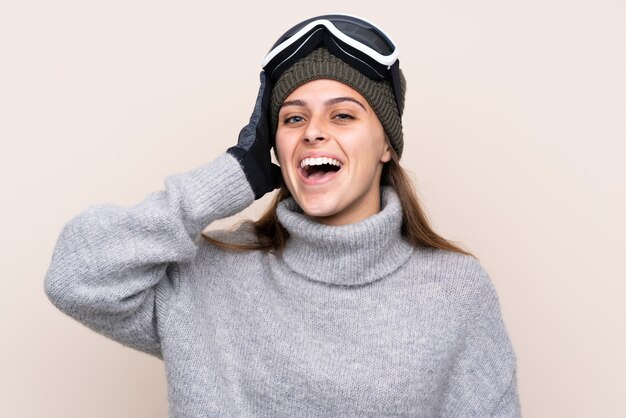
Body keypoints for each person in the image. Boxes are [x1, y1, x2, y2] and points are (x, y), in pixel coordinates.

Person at [45, 14, 521, 417]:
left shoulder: (456, 292)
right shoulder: (209, 277)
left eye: (343, 115)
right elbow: (76, 276)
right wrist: (234, 175)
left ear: (387, 147)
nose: (313, 131)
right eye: (293, 118)